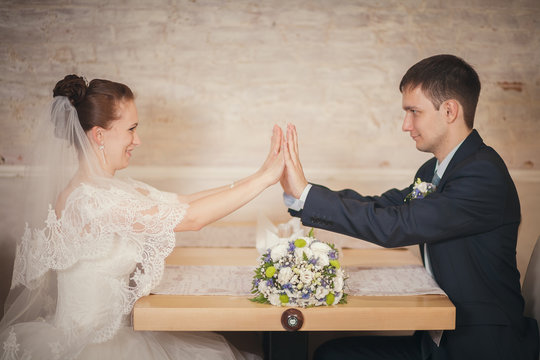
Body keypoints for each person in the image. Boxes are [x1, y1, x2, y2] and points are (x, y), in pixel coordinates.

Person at [0, 75, 284, 359]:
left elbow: (183, 202)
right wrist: (266, 181)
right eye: (131, 129)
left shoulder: (112, 188)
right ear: (99, 135)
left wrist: (258, 175)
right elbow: (191, 219)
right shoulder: (92, 201)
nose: (138, 140)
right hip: (94, 347)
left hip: (118, 333)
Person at [280, 55, 539, 359]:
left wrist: (306, 194)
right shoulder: (433, 170)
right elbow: (382, 206)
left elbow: (396, 226)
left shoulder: (483, 175)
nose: (406, 125)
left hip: (477, 346)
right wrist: (302, 194)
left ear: (450, 110)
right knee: (331, 353)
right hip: (435, 339)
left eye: (414, 112)